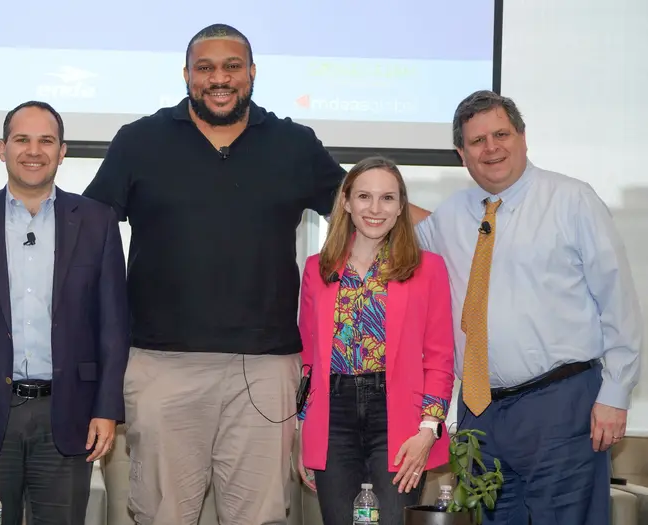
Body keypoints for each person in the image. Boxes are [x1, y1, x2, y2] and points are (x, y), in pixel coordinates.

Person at [80, 23, 432, 525]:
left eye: (231, 67)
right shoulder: (139, 141)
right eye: (205, 68)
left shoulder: (293, 143)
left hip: (267, 371)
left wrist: (460, 232)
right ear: (186, 75)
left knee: (261, 516)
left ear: (251, 74)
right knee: (161, 515)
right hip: (163, 365)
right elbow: (86, 233)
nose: (218, 78)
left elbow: (367, 208)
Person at [416, 89, 642, 524]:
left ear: (522, 137)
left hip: (561, 406)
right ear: (461, 154)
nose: (491, 148)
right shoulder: (450, 216)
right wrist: (360, 194)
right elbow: (395, 234)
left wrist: (615, 393)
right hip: (481, 414)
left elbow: (618, 302)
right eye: (477, 141)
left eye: (501, 133)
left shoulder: (572, 200)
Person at [0, 100, 129, 525]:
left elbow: (113, 325)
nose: (33, 150)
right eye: (22, 139)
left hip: (69, 413)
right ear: (2, 149)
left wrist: (107, 407)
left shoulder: (97, 221)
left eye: (46, 140)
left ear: (63, 151)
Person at [294, 156, 455, 525]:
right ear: (346, 203)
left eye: (387, 198)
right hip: (332, 417)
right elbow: (307, 360)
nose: (375, 209)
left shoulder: (428, 268)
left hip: (399, 418)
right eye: (364, 196)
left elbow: (440, 357)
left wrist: (428, 430)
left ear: (401, 208)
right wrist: (304, 432)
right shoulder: (318, 269)